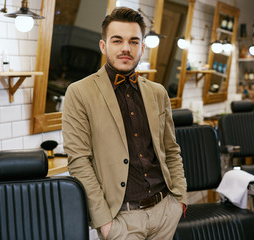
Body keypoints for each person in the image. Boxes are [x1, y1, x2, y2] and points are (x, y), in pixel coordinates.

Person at [62, 7, 187, 240]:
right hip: (121, 220)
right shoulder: (79, 92)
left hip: (165, 211)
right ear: (103, 46)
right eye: (117, 40)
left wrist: (179, 199)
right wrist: (104, 222)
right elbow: (79, 161)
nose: (126, 48)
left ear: (142, 47)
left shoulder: (158, 92)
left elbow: (171, 150)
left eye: (133, 41)